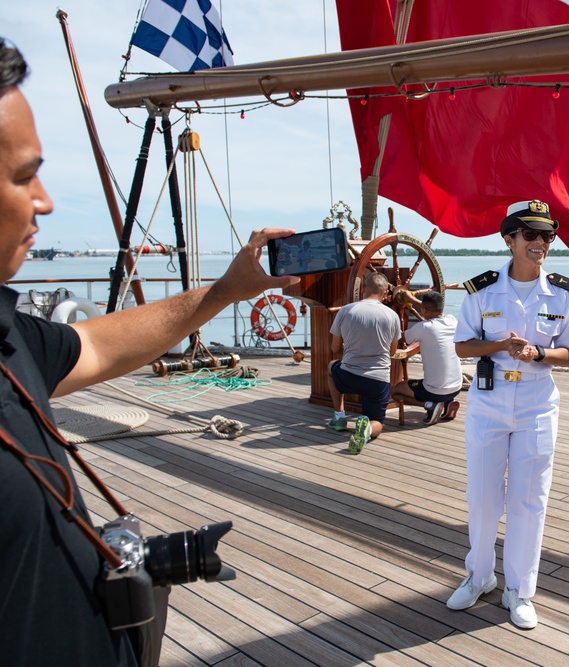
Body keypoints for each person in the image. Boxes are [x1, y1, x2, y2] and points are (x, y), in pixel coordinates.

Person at [0, 38, 300, 667]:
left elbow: (98, 345)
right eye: (25, 176)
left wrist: (227, 289)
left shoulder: (8, 334)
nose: (46, 201)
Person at [446, 199, 569, 630]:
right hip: (489, 402)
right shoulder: (481, 291)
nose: (540, 242)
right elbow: (462, 346)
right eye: (530, 234)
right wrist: (501, 346)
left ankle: (520, 591)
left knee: (528, 500)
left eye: (547, 235)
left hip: (538, 405)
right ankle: (479, 577)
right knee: (483, 497)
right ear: (509, 239)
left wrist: (539, 351)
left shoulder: (562, 293)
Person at [326, 272, 401, 454]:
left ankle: (339, 416)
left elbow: (335, 348)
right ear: (385, 294)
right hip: (378, 380)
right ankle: (367, 429)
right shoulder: (392, 316)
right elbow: (391, 352)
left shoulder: (346, 310)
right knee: (377, 422)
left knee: (331, 366)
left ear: (364, 289)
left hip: (349, 376)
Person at [389, 289, 463, 425]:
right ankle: (447, 403)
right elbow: (429, 310)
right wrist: (411, 300)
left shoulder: (424, 327)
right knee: (433, 384)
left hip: (434, 390)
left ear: (424, 309)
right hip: (456, 387)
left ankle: (431, 405)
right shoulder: (452, 320)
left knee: (395, 391)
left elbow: (400, 337)